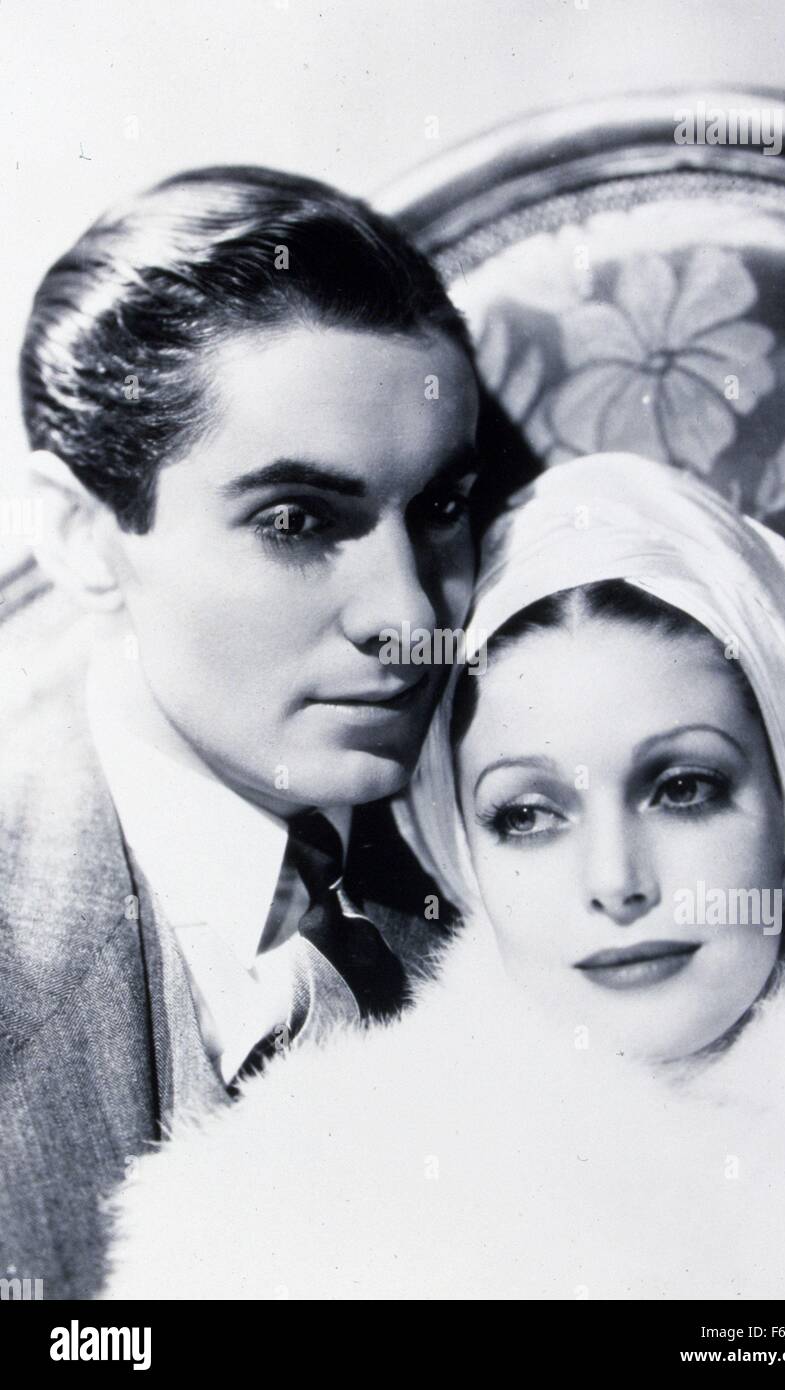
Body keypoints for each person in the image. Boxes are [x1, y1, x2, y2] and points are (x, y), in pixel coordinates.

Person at [103, 453, 785, 1300]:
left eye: (682, 789)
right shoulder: (287, 1212)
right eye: (528, 814)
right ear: (460, 844)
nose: (615, 881)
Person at [0, 164, 531, 1299]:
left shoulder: (559, 834)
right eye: (297, 521)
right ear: (83, 534)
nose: (410, 616)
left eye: (440, 509)